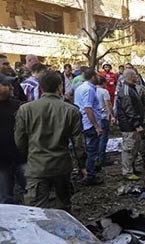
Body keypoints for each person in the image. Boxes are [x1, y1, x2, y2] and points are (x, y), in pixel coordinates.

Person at [14, 72, 86, 212]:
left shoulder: (26, 109)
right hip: (61, 164)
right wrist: (82, 164)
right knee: (63, 207)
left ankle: (40, 233)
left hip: (37, 165)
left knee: (36, 210)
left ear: (41, 87)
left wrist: (31, 154)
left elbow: (19, 140)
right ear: (60, 87)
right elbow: (78, 143)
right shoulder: (71, 110)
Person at [116, 69, 145, 181]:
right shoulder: (126, 91)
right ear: (129, 76)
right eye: (135, 75)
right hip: (129, 126)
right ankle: (127, 171)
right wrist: (136, 124)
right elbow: (129, 109)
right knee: (129, 148)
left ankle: (132, 168)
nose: (137, 77)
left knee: (135, 147)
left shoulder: (131, 88)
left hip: (133, 124)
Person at [74, 69, 103, 185]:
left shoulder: (80, 87)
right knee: (92, 151)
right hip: (89, 124)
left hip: (84, 122)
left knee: (86, 150)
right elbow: (87, 108)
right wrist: (96, 126)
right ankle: (90, 176)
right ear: (92, 77)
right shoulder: (89, 90)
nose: (99, 77)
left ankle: (85, 172)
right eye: (97, 75)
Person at [0, 74, 26, 204]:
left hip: (20, 157)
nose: (11, 87)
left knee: (29, 192)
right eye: (6, 85)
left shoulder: (18, 105)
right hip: (2, 162)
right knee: (5, 198)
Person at [96, 76, 116, 167]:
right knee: (103, 139)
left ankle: (97, 157)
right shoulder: (104, 92)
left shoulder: (93, 90)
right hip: (103, 117)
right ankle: (102, 159)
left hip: (95, 117)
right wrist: (112, 115)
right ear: (104, 83)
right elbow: (108, 104)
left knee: (97, 138)